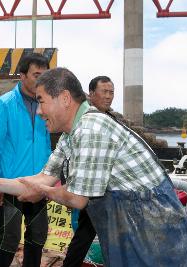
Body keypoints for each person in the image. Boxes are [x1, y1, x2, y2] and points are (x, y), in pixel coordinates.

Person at [0, 67, 187, 266]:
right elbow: (43, 178)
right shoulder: (71, 133)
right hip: (127, 225)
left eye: (41, 101)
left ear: (64, 98)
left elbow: (76, 198)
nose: (39, 111)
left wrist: (42, 191)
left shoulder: (91, 129)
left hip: (153, 230)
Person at [0, 53, 51, 267]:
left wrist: (48, 180)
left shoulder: (46, 105)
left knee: (38, 235)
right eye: (36, 75)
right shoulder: (3, 104)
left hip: (38, 183)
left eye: (45, 76)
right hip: (12, 185)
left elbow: (47, 145)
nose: (41, 81)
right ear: (22, 75)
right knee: (10, 238)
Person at [63, 75, 114, 267]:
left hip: (107, 193)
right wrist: (68, 189)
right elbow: (66, 156)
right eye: (104, 92)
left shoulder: (112, 119)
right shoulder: (79, 122)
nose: (109, 97)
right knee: (82, 236)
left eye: (111, 93)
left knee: (90, 238)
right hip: (85, 191)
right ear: (91, 94)